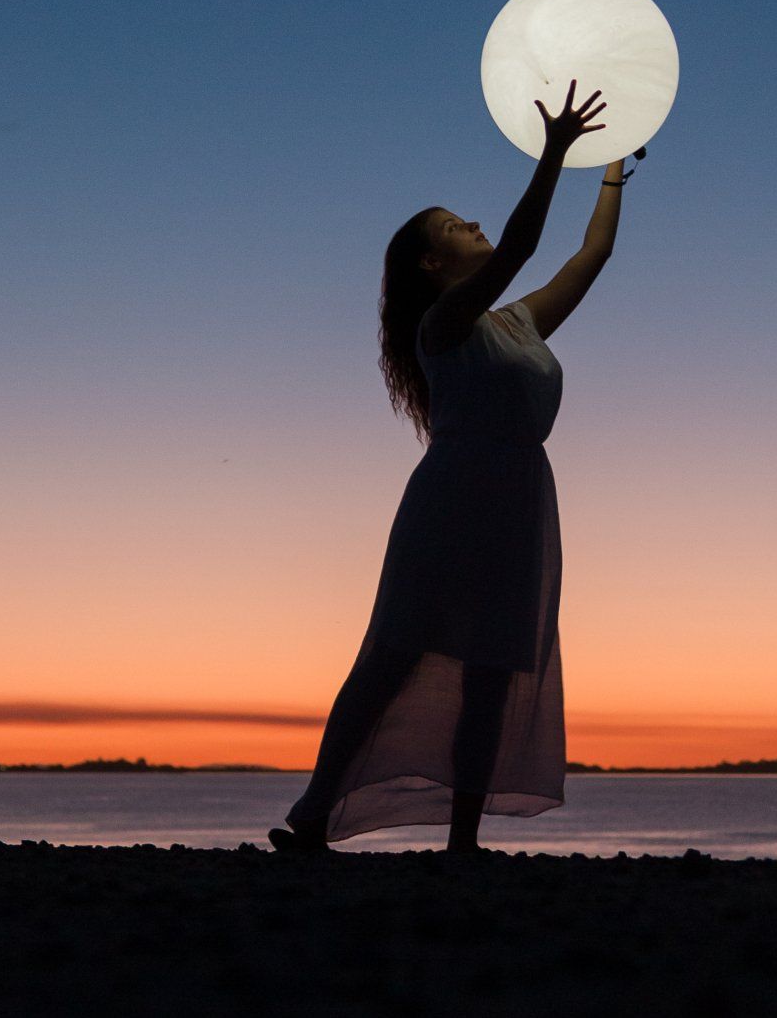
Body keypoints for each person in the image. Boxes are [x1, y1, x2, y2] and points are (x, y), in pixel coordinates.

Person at [269, 80, 641, 855]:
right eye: (454, 225)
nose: (470, 222)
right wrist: (554, 153)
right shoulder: (443, 323)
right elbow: (521, 247)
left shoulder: (518, 322)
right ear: (435, 264)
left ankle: (463, 843)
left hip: (520, 497)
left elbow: (591, 254)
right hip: (452, 497)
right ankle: (313, 814)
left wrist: (607, 175)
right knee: (395, 653)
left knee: (492, 672)